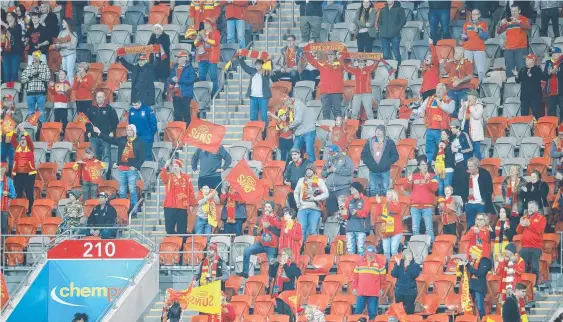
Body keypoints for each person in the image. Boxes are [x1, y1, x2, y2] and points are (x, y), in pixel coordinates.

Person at [93, 124, 145, 216]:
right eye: (127, 130)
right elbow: (110, 140)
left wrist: (136, 166)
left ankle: (134, 211)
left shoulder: (139, 142)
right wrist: (100, 133)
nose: (129, 131)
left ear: (134, 131)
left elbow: (142, 157)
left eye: (130, 130)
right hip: (121, 169)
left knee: (133, 190)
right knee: (122, 191)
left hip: (132, 170)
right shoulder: (122, 139)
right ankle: (124, 211)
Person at [237, 201, 280, 278]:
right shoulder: (260, 218)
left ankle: (271, 281)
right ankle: (245, 273)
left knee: (272, 264)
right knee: (247, 250)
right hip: (261, 244)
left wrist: (269, 226)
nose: (266, 208)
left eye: (269, 207)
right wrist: (258, 231)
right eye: (266, 207)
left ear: (272, 209)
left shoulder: (277, 218)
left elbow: (279, 233)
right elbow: (254, 232)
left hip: (272, 246)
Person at [415, 83, 455, 163]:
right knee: (429, 151)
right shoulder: (429, 99)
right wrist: (420, 113)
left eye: (440, 89)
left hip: (442, 131)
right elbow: (421, 109)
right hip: (430, 129)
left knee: (441, 150)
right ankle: (430, 166)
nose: (438, 90)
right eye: (437, 88)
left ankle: (441, 168)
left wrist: (439, 102)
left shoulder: (450, 101)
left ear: (445, 91)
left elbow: (450, 110)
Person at [86, 91, 119, 178]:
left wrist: (112, 131)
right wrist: (88, 131)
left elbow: (115, 122)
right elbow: (87, 122)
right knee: (94, 156)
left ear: (104, 98)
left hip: (106, 137)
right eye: (97, 97)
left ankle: (106, 174)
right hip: (94, 137)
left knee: (106, 156)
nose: (99, 98)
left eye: (101, 97)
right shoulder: (91, 109)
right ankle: (96, 176)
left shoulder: (109, 109)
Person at [304, 49, 344, 120]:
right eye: (329, 54)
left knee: (337, 111)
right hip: (325, 91)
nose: (330, 56)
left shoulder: (340, 64)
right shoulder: (322, 64)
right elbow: (312, 61)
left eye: (332, 54)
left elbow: (345, 67)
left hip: (336, 91)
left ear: (335, 56)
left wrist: (339, 58)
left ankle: (338, 129)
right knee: (325, 111)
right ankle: (326, 129)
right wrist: (308, 51)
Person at [361, 124, 399, 197]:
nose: (378, 132)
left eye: (380, 130)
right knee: (373, 190)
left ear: (384, 132)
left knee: (385, 190)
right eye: (377, 130)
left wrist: (388, 163)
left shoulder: (390, 142)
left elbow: (395, 156)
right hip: (372, 170)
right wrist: (369, 164)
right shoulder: (369, 142)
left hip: (385, 170)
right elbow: (363, 155)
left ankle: (385, 207)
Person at [407, 155, 438, 244]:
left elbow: (435, 188)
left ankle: (431, 248)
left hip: (427, 206)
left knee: (429, 229)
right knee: (415, 228)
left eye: (426, 164)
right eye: (423, 164)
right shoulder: (414, 176)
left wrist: (428, 179)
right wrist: (409, 181)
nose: (425, 166)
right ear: (419, 166)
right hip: (415, 207)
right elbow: (407, 188)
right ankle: (417, 247)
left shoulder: (433, 176)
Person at [294, 163, 329, 240]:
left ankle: (313, 249)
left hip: (315, 209)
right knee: (301, 229)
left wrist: (315, 198)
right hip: (302, 208)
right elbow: (296, 192)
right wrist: (297, 203)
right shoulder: (301, 180)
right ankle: (301, 248)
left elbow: (326, 193)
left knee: (313, 230)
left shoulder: (319, 181)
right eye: (307, 170)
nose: (309, 171)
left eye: (310, 170)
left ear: (314, 171)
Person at [238, 55, 272, 135]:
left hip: (263, 97)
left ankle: (265, 132)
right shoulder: (253, 71)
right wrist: (241, 58)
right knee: (253, 115)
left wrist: (268, 59)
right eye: (256, 64)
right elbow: (244, 66)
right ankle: (254, 132)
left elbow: (270, 67)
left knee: (263, 115)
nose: (257, 66)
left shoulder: (266, 72)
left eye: (259, 64)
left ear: (262, 65)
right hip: (253, 97)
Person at [161, 159, 195, 236]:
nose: (174, 167)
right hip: (170, 206)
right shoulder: (169, 176)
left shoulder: (186, 178)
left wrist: (192, 204)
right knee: (169, 229)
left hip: (182, 207)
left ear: (180, 167)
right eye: (173, 166)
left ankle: (181, 245)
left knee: (182, 230)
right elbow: (163, 176)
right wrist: (166, 166)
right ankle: (174, 243)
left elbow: (191, 191)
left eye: (176, 166)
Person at [517, 200, 547, 288]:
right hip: (524, 247)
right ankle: (523, 286)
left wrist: (529, 224)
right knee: (523, 267)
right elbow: (518, 231)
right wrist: (521, 224)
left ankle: (534, 286)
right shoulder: (525, 217)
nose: (530, 209)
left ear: (537, 208)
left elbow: (539, 230)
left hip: (535, 247)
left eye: (532, 207)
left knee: (535, 267)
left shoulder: (541, 218)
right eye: (529, 207)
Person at [458, 157, 494, 230]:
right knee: (470, 227)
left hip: (481, 203)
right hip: (470, 203)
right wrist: (466, 202)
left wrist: (484, 201)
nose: (469, 168)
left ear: (476, 166)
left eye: (471, 166)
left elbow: (489, 188)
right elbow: (462, 189)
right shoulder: (466, 175)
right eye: (468, 166)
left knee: (482, 226)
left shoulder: (485, 173)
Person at [352, 245, 386, 320]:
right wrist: (354, 287)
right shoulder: (359, 262)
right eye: (368, 254)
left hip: (373, 293)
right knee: (358, 312)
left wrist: (382, 289)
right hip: (361, 292)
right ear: (366, 253)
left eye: (371, 254)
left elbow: (383, 279)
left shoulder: (380, 263)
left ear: (375, 253)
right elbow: (355, 277)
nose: (370, 256)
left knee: (372, 313)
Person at [340, 55, 378, 119]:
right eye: (359, 62)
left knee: (369, 112)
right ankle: (353, 127)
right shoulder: (356, 70)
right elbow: (346, 69)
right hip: (357, 94)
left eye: (362, 62)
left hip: (367, 94)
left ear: (365, 63)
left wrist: (376, 58)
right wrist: (341, 59)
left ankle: (372, 126)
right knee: (354, 112)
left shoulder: (368, 69)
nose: (360, 63)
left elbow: (375, 64)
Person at [322, 145, 354, 218]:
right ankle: (334, 226)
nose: (331, 154)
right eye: (330, 153)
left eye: (333, 153)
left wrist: (336, 170)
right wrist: (328, 171)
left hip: (343, 188)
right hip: (330, 189)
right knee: (332, 212)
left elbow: (350, 171)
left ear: (338, 151)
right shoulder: (328, 161)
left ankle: (345, 226)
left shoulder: (346, 158)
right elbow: (323, 174)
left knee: (344, 209)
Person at [497, 4, 531, 74]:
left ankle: (522, 84)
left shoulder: (524, 19)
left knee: (522, 69)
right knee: (509, 70)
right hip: (508, 49)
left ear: (519, 11)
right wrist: (501, 24)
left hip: (521, 48)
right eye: (512, 11)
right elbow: (499, 31)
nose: (513, 13)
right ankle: (510, 84)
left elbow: (529, 28)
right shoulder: (508, 20)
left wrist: (519, 21)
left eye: (515, 11)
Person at [441, 47, 474, 114]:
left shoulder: (467, 63)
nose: (454, 55)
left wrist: (460, 81)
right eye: (454, 53)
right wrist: (441, 65)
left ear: (462, 54)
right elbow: (443, 72)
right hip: (451, 90)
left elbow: (470, 76)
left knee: (462, 110)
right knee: (452, 111)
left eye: (456, 53)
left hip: (463, 91)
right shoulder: (451, 63)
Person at [11, 124, 36, 212]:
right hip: (18, 174)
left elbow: (29, 140)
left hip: (29, 174)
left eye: (24, 139)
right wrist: (16, 130)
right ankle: (19, 210)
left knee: (29, 193)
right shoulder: (17, 147)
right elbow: (12, 139)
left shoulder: (30, 148)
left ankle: (29, 210)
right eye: (21, 139)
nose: (22, 140)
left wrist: (23, 131)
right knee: (18, 192)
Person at [462, 245, 491, 319]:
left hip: (479, 287)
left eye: (472, 253)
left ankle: (483, 319)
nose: (470, 255)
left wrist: (468, 266)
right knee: (471, 307)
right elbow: (468, 273)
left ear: (476, 252)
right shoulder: (472, 262)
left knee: (480, 307)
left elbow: (480, 273)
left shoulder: (484, 261)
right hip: (472, 286)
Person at [21, 51, 50, 123]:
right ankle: (32, 129)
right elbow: (22, 79)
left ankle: (41, 129)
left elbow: (48, 78)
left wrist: (38, 75)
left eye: (36, 56)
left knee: (41, 112)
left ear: (39, 57)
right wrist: (30, 77)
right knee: (30, 112)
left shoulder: (44, 66)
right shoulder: (29, 67)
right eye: (33, 56)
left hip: (41, 93)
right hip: (30, 93)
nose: (34, 58)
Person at [342, 182, 371, 256]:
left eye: (352, 188)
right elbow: (345, 214)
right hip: (350, 227)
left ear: (357, 189)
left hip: (361, 228)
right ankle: (351, 266)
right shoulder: (349, 199)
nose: (350, 190)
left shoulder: (366, 199)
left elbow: (366, 212)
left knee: (361, 249)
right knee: (350, 249)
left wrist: (357, 212)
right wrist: (344, 213)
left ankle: (360, 266)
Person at [195, 18, 220, 95]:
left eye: (207, 23)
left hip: (212, 58)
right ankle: (202, 94)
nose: (205, 25)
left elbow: (215, 43)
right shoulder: (201, 32)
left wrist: (206, 39)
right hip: (202, 58)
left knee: (213, 77)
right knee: (201, 77)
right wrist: (198, 39)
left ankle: (214, 94)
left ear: (211, 25)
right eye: (204, 23)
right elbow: (195, 43)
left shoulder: (216, 32)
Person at [286, 96, 316, 162]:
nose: (286, 104)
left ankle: (313, 169)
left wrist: (288, 127)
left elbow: (298, 120)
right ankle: (291, 170)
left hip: (308, 130)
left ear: (290, 100)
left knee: (309, 151)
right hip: (299, 132)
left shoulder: (299, 105)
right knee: (293, 151)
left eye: (286, 102)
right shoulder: (290, 107)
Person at [377, 0, 406, 67]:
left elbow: (403, 21)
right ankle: (389, 70)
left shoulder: (399, 9)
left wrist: (396, 29)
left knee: (396, 53)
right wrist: (382, 29)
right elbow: (379, 21)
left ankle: (398, 69)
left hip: (395, 35)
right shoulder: (383, 10)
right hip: (384, 35)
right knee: (386, 54)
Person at [461, 9, 488, 81]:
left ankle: (481, 87)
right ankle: (469, 87)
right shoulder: (466, 24)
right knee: (467, 71)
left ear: (479, 15)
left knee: (481, 71)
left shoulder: (483, 24)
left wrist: (478, 31)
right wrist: (463, 36)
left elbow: (485, 37)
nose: (474, 16)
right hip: (467, 50)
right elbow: (463, 36)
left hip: (479, 50)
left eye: (476, 14)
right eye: (473, 14)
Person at [391, 249, 421, 314]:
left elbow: (414, 275)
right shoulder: (398, 264)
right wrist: (397, 265)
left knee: (409, 311)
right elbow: (394, 274)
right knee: (399, 312)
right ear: (404, 256)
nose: (410, 256)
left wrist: (408, 265)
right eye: (408, 255)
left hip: (410, 292)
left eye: (411, 255)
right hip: (399, 291)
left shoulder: (415, 265)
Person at [169, 50, 195, 123]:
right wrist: (173, 80)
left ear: (184, 58)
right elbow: (171, 78)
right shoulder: (175, 67)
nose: (178, 59)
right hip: (176, 93)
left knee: (186, 113)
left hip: (186, 94)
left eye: (179, 57)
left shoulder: (190, 68)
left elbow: (191, 81)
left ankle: (187, 130)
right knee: (177, 114)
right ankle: (179, 130)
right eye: (177, 57)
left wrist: (179, 80)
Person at [374, 189, 402, 259]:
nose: (387, 195)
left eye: (389, 194)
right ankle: (387, 268)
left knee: (393, 251)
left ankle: (394, 267)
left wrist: (390, 202)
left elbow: (394, 210)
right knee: (386, 252)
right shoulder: (385, 205)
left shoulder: (397, 204)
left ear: (393, 195)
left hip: (396, 231)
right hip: (385, 231)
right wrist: (379, 203)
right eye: (387, 194)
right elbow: (378, 213)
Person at [514, 54, 543, 118]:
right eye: (526, 59)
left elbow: (539, 79)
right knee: (524, 113)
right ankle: (525, 127)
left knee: (536, 113)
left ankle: (537, 126)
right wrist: (516, 75)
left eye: (528, 59)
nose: (526, 61)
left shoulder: (537, 69)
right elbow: (518, 81)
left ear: (533, 60)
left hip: (535, 96)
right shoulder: (523, 69)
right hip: (524, 96)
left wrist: (530, 75)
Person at [458, 91, 484, 159]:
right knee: (467, 151)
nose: (468, 100)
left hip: (475, 132)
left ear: (474, 98)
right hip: (466, 131)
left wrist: (470, 107)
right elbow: (460, 118)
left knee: (476, 152)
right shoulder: (466, 105)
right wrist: (462, 109)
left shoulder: (479, 106)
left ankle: (479, 166)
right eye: (468, 98)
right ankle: (467, 167)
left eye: (470, 99)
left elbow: (477, 116)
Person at [1, 12, 24, 82]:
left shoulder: (18, 26)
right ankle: (6, 91)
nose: (7, 17)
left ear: (14, 17)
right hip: (5, 53)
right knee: (6, 73)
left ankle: (15, 91)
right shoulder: (3, 28)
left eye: (9, 15)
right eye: (7, 16)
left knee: (14, 73)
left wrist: (4, 24)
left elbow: (13, 32)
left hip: (15, 52)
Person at [54, 18, 77, 85]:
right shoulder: (61, 32)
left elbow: (73, 46)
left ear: (68, 23)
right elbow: (57, 42)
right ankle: (65, 88)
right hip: (63, 55)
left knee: (69, 73)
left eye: (63, 22)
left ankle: (70, 89)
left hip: (70, 54)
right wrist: (56, 45)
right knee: (64, 73)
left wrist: (63, 45)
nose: (62, 24)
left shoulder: (73, 33)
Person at [544, 47, 563, 121]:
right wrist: (549, 73)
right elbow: (543, 76)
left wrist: (557, 72)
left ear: (559, 54)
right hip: (551, 92)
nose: (553, 55)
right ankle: (553, 127)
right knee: (551, 111)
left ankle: (562, 127)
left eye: (554, 53)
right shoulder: (548, 62)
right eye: (552, 54)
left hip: (561, 92)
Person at [435, 129, 455, 195]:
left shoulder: (451, 144)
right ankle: (441, 203)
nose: (442, 136)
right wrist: (438, 149)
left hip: (448, 168)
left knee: (447, 187)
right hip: (439, 169)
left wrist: (445, 147)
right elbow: (433, 157)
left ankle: (447, 203)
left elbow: (451, 157)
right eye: (441, 134)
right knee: (440, 187)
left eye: (444, 134)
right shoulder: (439, 145)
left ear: (448, 136)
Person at [0, 167, 16, 235]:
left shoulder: (9, 181)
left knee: (4, 227)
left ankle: (4, 244)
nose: (2, 171)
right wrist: (2, 192)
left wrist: (8, 194)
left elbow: (14, 195)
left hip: (4, 208)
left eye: (3, 169)